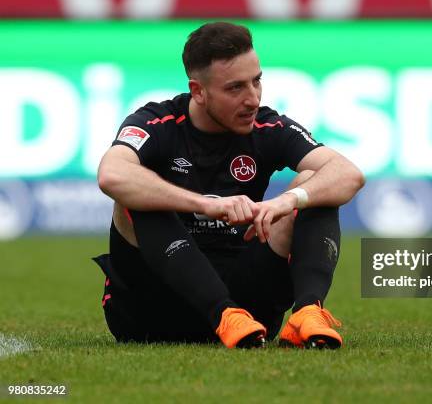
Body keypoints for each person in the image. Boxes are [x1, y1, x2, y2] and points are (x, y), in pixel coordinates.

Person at [94, 21, 365, 349]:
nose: (252, 99)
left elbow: (348, 174)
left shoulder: (267, 126)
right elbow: (111, 175)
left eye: (257, 81)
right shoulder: (159, 122)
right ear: (198, 91)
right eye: (235, 88)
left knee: (314, 184)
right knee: (136, 192)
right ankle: (222, 313)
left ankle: (308, 312)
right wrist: (205, 204)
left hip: (248, 313)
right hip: (151, 313)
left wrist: (288, 200)